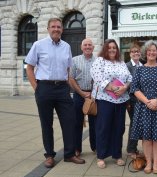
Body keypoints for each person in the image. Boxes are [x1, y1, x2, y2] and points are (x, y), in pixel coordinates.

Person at [25, 18, 85, 168]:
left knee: (69, 121)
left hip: (62, 89)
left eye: (59, 27)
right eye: (53, 27)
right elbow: (29, 67)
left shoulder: (66, 46)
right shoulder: (38, 45)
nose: (56, 29)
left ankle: (69, 154)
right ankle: (50, 155)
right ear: (48, 29)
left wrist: (66, 84)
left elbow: (68, 68)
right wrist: (36, 87)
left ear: (62, 29)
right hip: (44, 88)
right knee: (47, 123)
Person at [130, 40, 157, 174]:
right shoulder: (139, 69)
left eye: (154, 50)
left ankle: (156, 163)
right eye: (149, 50)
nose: (151, 52)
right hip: (143, 107)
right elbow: (135, 88)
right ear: (145, 52)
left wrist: (156, 101)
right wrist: (148, 102)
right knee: (146, 138)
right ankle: (148, 162)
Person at [90, 39, 132, 169]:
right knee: (103, 127)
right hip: (105, 100)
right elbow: (97, 77)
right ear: (105, 49)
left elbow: (129, 77)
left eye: (114, 47)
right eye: (109, 47)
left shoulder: (121, 63)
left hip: (121, 100)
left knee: (119, 128)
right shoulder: (100, 61)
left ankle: (117, 155)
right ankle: (101, 156)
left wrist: (125, 87)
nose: (112, 50)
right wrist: (113, 88)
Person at [69, 38, 96, 156]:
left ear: (93, 47)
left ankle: (95, 147)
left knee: (95, 123)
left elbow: (101, 79)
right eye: (85, 45)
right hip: (79, 95)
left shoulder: (98, 61)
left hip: (94, 95)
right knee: (77, 123)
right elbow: (71, 78)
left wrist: (92, 93)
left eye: (90, 45)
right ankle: (77, 148)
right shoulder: (74, 60)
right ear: (81, 47)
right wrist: (81, 93)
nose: (88, 47)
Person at [125, 44, 143, 158]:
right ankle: (131, 149)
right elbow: (124, 84)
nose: (135, 53)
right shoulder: (126, 66)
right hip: (131, 100)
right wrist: (127, 102)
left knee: (138, 124)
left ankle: (134, 148)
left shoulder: (143, 65)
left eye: (137, 51)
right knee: (134, 124)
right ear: (130, 53)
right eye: (133, 51)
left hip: (142, 100)